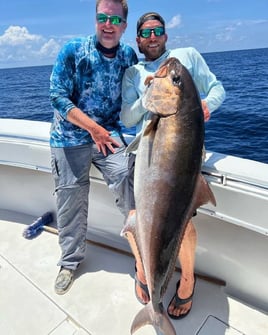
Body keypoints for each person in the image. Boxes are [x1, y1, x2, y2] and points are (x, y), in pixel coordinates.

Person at [120, 12, 225, 319]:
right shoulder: (133, 73)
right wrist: (149, 97)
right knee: (132, 218)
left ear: (165, 35)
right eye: (146, 33)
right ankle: (145, 270)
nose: (152, 37)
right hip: (147, 156)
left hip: (182, 157)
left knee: (182, 222)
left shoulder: (187, 57)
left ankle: (187, 280)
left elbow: (217, 88)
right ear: (138, 39)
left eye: (158, 31)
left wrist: (206, 104)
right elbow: (128, 118)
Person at [49, 0, 138, 295]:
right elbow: (58, 97)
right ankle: (69, 262)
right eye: (102, 17)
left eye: (115, 19)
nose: (108, 24)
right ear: (95, 20)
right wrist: (93, 129)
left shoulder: (128, 56)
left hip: (108, 136)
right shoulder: (74, 50)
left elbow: (140, 95)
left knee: (129, 178)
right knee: (70, 198)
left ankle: (142, 256)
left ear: (124, 25)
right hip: (69, 137)